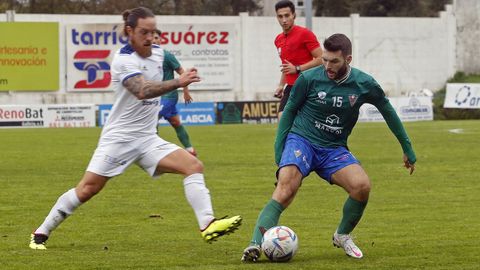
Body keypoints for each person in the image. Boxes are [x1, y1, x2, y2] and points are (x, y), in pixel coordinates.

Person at [29, 7, 242, 250]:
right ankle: (41, 232)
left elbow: (174, 70)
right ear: (129, 31)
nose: (150, 38)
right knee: (87, 189)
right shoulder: (123, 59)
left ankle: (207, 224)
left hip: (148, 139)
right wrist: (178, 82)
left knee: (193, 166)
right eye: (144, 32)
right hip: (119, 139)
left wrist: (185, 79)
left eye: (153, 32)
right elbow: (142, 91)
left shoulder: (159, 54)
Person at [241, 33, 416, 262]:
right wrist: (279, 148)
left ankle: (342, 235)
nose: (327, 66)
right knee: (286, 187)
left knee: (361, 186)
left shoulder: (364, 84)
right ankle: (255, 244)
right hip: (302, 139)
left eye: (334, 61)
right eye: (324, 59)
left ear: (348, 59)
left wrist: (407, 148)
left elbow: (388, 111)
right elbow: (290, 110)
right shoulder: (309, 78)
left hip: (333, 148)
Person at [273, 0, 323, 118]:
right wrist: (281, 85)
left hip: (308, 86)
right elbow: (286, 67)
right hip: (290, 87)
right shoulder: (278, 39)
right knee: (282, 118)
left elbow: (321, 58)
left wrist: (298, 68)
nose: (284, 20)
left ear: (294, 15)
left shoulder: (305, 34)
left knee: (304, 124)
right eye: (280, 16)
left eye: (287, 15)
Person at [153, 29, 197, 156]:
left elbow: (183, 73)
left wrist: (186, 91)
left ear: (161, 40)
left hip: (169, 96)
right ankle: (190, 150)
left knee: (151, 119)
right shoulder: (147, 58)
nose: (155, 40)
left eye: (157, 38)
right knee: (176, 123)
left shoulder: (167, 56)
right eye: (153, 38)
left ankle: (152, 152)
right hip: (155, 96)